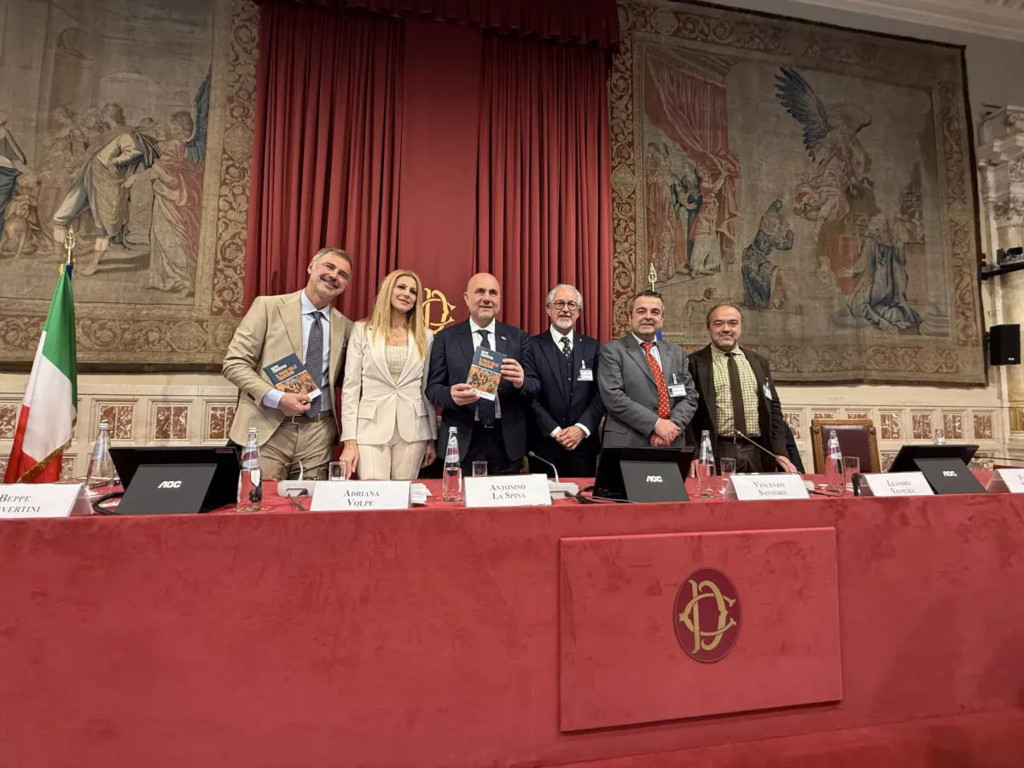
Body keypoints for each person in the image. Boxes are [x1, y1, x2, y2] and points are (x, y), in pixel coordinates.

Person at [222, 247, 354, 480]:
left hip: (318, 434)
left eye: (343, 274)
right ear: (311, 267)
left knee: (309, 502)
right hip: (268, 427)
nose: (334, 276)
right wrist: (277, 398)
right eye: (329, 267)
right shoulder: (268, 307)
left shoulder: (347, 327)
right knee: (261, 499)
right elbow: (234, 363)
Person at [425, 273, 538, 476]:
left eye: (493, 293)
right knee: (462, 496)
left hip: (506, 441)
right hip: (463, 439)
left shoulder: (518, 337)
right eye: (480, 292)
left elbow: (535, 386)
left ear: (499, 299)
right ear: (466, 298)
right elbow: (432, 389)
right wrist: (450, 395)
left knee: (505, 498)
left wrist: (522, 381)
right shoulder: (445, 338)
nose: (487, 298)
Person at [339, 269, 437, 480]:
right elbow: (351, 388)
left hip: (414, 430)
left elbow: (426, 390)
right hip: (369, 428)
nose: (407, 294)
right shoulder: (362, 330)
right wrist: (349, 440)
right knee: (375, 492)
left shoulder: (425, 336)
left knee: (405, 492)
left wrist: (431, 437)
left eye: (413, 291)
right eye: (401, 287)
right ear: (387, 290)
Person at [687, 302, 797, 473]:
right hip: (715, 451)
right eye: (718, 323)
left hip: (758, 451)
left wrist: (779, 451)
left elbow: (773, 408)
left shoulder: (759, 362)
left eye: (733, 323)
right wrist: (694, 453)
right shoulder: (693, 363)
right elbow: (688, 414)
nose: (726, 329)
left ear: (740, 327)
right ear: (709, 328)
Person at [597, 290, 697, 449]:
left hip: (671, 441)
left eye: (655, 312)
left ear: (662, 319)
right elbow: (613, 397)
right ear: (630, 318)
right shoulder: (612, 351)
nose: (648, 317)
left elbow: (690, 396)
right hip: (627, 444)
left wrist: (670, 427)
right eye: (641, 311)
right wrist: (655, 424)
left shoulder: (677, 353)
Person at [523, 284, 604, 478]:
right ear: (548, 309)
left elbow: (601, 394)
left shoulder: (592, 347)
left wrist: (581, 429)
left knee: (583, 497)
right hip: (544, 446)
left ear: (579, 312)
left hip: (583, 447)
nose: (566, 309)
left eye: (571, 305)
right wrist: (554, 430)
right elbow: (527, 394)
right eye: (559, 303)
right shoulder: (531, 346)